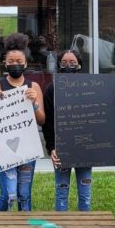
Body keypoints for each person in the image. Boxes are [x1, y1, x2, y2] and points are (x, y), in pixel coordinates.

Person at [0, 33, 46, 228]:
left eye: (18, 61)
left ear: (26, 63)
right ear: (5, 63)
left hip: (28, 148)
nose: (15, 65)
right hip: (4, 149)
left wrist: (35, 103)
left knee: (24, 195)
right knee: (7, 193)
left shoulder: (34, 87)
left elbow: (41, 120)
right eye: (10, 61)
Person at [42, 48, 92, 212]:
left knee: (85, 194)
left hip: (85, 148)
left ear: (79, 65)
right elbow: (47, 123)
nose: (68, 65)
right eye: (64, 63)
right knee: (61, 192)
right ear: (58, 65)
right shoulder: (51, 90)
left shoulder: (90, 87)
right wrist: (51, 148)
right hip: (62, 148)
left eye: (72, 63)